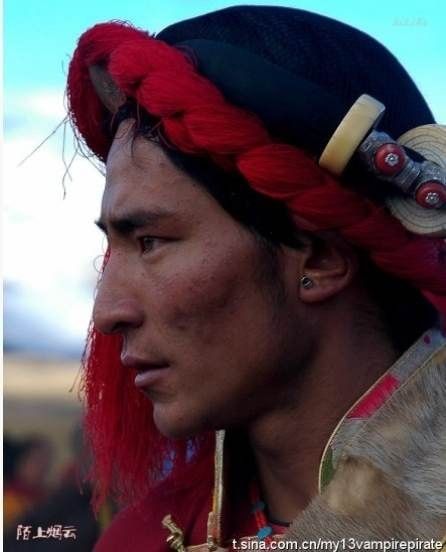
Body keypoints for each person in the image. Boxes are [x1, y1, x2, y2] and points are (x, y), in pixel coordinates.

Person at [66, 6, 446, 551]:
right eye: (115, 247)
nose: (106, 313)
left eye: (150, 241)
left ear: (318, 258)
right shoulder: (141, 539)